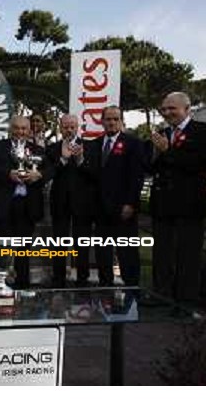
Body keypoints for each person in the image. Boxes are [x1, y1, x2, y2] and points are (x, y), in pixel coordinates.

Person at [149, 92, 206, 302]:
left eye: (172, 109)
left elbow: (197, 163)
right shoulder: (161, 133)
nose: (167, 113)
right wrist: (155, 154)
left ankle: (185, 301)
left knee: (188, 256)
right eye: (164, 109)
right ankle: (161, 294)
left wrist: (168, 150)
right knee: (162, 254)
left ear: (187, 109)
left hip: (190, 206)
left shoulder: (204, 132)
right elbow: (153, 167)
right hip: (162, 206)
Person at [0, 116, 53, 289]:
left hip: (28, 205)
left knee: (23, 248)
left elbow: (51, 169)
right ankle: (0, 282)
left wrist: (39, 175)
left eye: (24, 129)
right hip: (3, 204)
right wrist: (8, 174)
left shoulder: (38, 149)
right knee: (3, 246)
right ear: (10, 129)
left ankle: (22, 283)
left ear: (29, 131)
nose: (20, 132)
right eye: (17, 128)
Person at [84, 106, 145, 286]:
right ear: (101, 121)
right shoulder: (93, 144)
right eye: (108, 119)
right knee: (103, 251)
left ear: (121, 121)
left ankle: (132, 288)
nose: (111, 122)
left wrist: (130, 203)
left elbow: (136, 177)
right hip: (100, 208)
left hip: (123, 208)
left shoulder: (133, 143)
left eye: (115, 119)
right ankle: (105, 286)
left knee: (127, 250)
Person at [45, 114, 97, 288]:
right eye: (66, 127)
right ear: (60, 128)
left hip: (83, 204)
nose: (69, 130)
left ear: (78, 127)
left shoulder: (89, 146)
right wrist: (64, 158)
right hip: (59, 203)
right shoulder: (52, 148)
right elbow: (49, 173)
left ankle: (82, 278)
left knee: (82, 243)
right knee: (59, 242)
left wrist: (80, 160)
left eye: (72, 126)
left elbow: (95, 174)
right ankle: (58, 278)